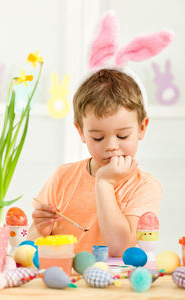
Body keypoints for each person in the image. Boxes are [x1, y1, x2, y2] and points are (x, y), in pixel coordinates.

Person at [27, 68, 162, 256]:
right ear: (81, 132)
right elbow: (29, 246)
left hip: (116, 283)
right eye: (98, 137)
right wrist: (39, 231)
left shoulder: (145, 186)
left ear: (141, 128)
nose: (112, 146)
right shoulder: (61, 177)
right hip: (68, 281)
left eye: (122, 135)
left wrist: (104, 183)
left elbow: (121, 248)